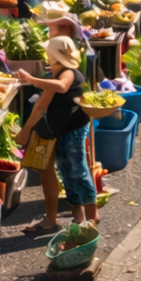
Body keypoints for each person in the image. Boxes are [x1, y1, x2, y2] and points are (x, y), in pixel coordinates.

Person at [15, 36, 98, 234]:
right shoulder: (57, 74)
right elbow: (41, 104)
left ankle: (92, 217)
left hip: (72, 130)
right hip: (62, 130)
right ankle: (78, 217)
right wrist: (26, 129)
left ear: (54, 55)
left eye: (48, 52)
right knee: (68, 171)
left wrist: (32, 80)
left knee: (77, 171)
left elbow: (62, 87)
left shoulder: (67, 73)